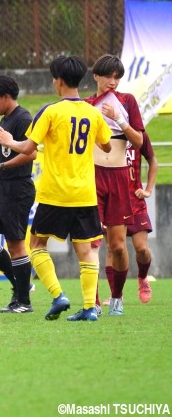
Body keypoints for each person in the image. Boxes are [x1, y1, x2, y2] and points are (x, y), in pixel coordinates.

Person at [0, 55, 112, 322]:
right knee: (87, 252)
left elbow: (28, 148)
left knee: (36, 244)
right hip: (85, 195)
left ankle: (58, 295)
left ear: (57, 81)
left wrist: (10, 141)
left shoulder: (51, 111)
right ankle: (90, 308)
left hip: (56, 193)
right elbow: (106, 146)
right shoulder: (93, 113)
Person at [84, 54, 144, 316]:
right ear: (96, 76)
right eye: (108, 75)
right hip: (93, 178)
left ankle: (117, 297)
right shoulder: (86, 105)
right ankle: (93, 302)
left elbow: (139, 142)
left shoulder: (127, 102)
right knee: (91, 243)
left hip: (119, 177)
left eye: (117, 76)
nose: (113, 81)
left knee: (118, 245)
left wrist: (119, 119)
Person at [0, 74, 36, 313]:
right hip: (2, 187)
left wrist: (0, 167)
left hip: (18, 188)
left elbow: (31, 154)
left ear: (6, 96)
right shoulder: (5, 119)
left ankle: (24, 302)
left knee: (16, 245)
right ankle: (20, 286)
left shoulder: (23, 118)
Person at [125, 130, 157, 303]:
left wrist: (148, 190)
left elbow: (152, 161)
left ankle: (143, 278)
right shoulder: (104, 132)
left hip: (135, 201)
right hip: (113, 201)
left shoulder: (139, 135)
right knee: (114, 250)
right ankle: (117, 294)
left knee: (142, 248)